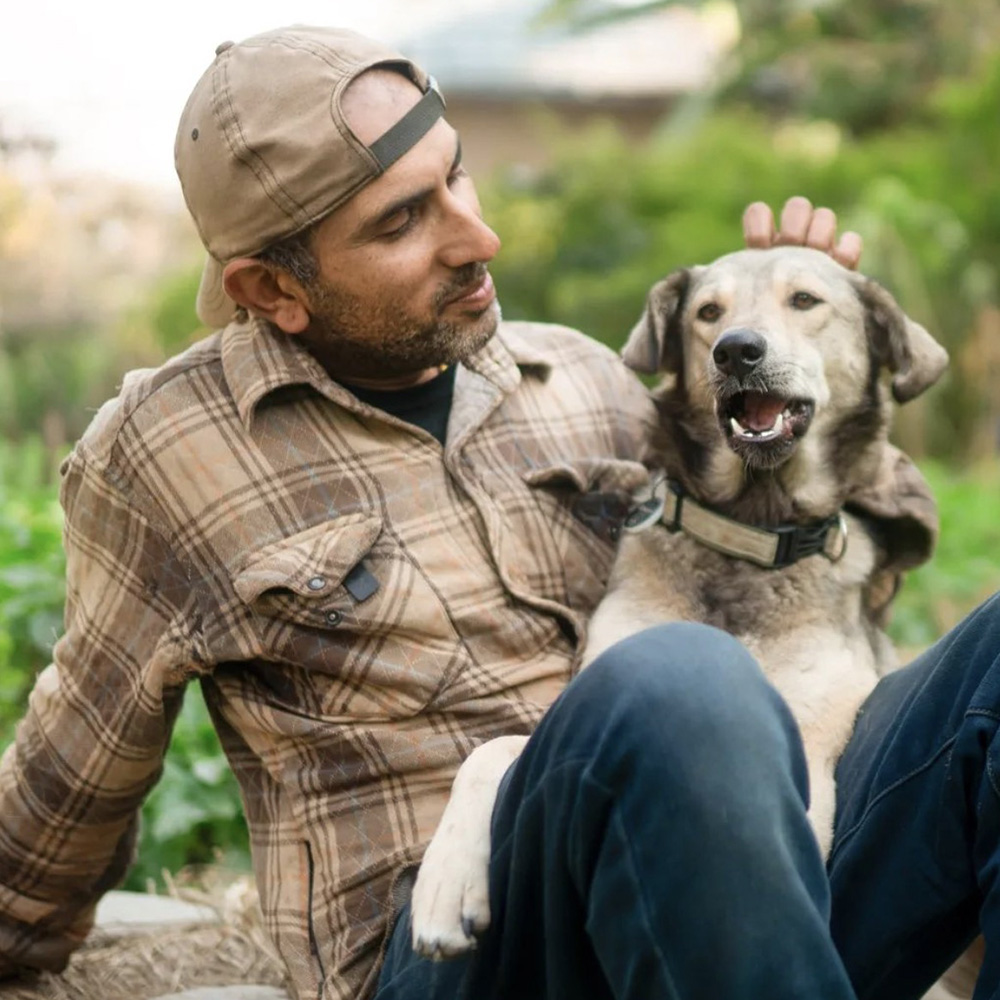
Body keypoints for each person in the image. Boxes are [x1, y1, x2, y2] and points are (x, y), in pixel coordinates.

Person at [0, 23, 996, 1000]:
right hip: (465, 948)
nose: (479, 238)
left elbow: (839, 533)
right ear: (273, 288)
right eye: (400, 221)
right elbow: (70, 776)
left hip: (732, 879)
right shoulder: (168, 452)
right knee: (685, 680)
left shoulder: (581, 375)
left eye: (457, 176)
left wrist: (803, 350)